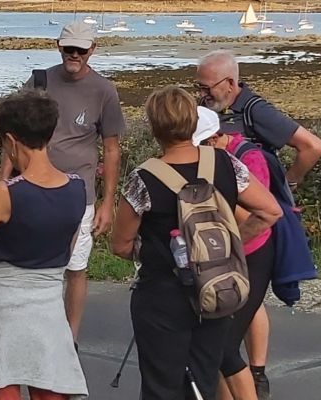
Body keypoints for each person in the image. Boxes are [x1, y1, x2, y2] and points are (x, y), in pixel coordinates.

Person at [110, 87, 282, 400]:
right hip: (216, 288)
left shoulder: (144, 177)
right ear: (194, 121)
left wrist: (154, 253)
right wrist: (229, 246)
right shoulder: (227, 163)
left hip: (162, 294)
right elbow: (270, 211)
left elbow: (120, 245)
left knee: (161, 385)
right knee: (203, 380)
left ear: (154, 127)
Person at [195, 50, 321, 396]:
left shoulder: (255, 110)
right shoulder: (215, 110)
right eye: (198, 87)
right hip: (232, 228)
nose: (201, 94)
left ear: (229, 83)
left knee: (231, 326)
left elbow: (312, 146)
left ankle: (256, 373)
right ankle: (248, 376)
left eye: (206, 87)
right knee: (236, 313)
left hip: (256, 225)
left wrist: (286, 183)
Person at [0, 91, 89, 400]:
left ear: (11, 140)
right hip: (49, 310)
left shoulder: (5, 193)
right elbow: (69, 246)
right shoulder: (77, 188)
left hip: (2, 311)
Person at [6, 22, 127, 339]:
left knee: (75, 268)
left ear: (92, 50)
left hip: (79, 197)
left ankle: (69, 338)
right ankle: (31, 329)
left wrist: (107, 203)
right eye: (68, 48)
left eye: (81, 50)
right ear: (58, 46)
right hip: (32, 191)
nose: (74, 55)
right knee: (31, 266)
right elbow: (13, 134)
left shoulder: (104, 91)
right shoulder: (39, 81)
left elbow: (111, 150)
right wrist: (2, 183)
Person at [190, 107, 275, 400]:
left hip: (252, 252)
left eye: (197, 145)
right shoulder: (213, 160)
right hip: (222, 258)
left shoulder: (245, 160)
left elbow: (261, 213)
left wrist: (211, 196)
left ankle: (256, 381)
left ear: (213, 139)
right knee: (216, 344)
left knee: (223, 345)